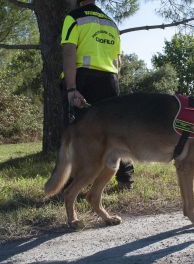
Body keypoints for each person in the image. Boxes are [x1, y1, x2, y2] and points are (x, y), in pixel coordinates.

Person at [60, 0, 134, 190]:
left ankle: (70, 183)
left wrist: (71, 88)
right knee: (115, 132)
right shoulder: (111, 23)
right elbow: (118, 60)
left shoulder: (74, 17)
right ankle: (125, 179)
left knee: (77, 131)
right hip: (109, 80)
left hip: (83, 78)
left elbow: (69, 52)